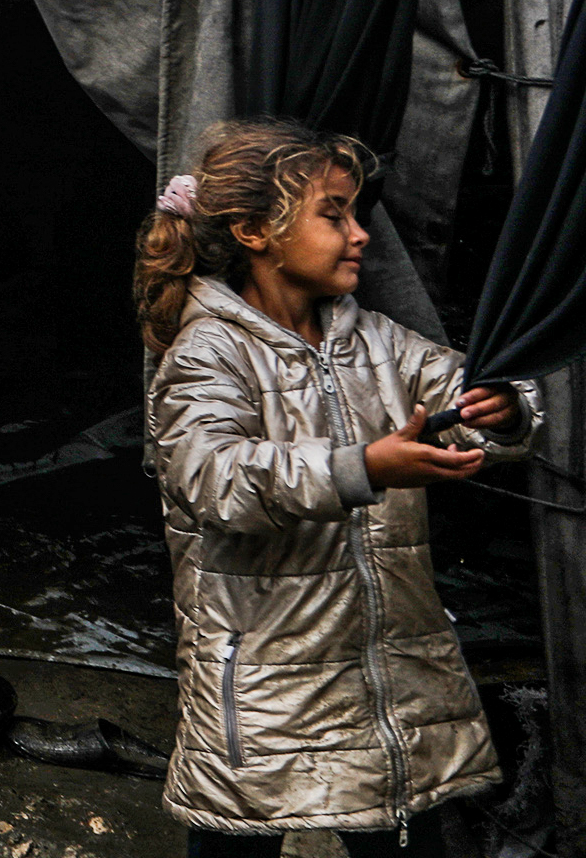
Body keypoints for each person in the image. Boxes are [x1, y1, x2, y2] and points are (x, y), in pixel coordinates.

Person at [138, 119, 537, 858]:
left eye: (355, 213)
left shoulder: (374, 341)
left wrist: (503, 407)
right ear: (256, 231)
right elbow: (215, 479)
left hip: (382, 670)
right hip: (260, 679)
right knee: (240, 830)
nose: (359, 234)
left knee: (392, 825)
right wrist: (365, 468)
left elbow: (459, 388)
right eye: (334, 214)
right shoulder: (208, 353)